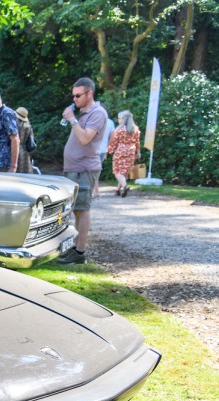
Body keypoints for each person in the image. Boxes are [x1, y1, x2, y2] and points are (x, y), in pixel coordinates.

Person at [58, 77, 109, 265]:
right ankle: (74, 248)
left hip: (85, 168)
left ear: (90, 93)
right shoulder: (83, 113)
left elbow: (86, 139)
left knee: (82, 210)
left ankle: (79, 252)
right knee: (75, 210)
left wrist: (72, 120)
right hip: (74, 167)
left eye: (78, 95)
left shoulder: (98, 113)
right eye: (73, 96)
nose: (75, 99)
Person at [107, 110, 141, 197]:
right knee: (125, 171)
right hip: (131, 151)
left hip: (120, 150)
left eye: (119, 118)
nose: (118, 120)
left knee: (117, 171)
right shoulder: (135, 129)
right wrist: (138, 152)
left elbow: (114, 142)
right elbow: (137, 142)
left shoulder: (119, 130)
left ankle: (125, 186)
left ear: (123, 119)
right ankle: (118, 190)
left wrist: (109, 150)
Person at [15, 107, 35, 174]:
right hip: (24, 151)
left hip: (14, 149)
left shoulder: (13, 124)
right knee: (24, 173)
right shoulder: (28, 126)